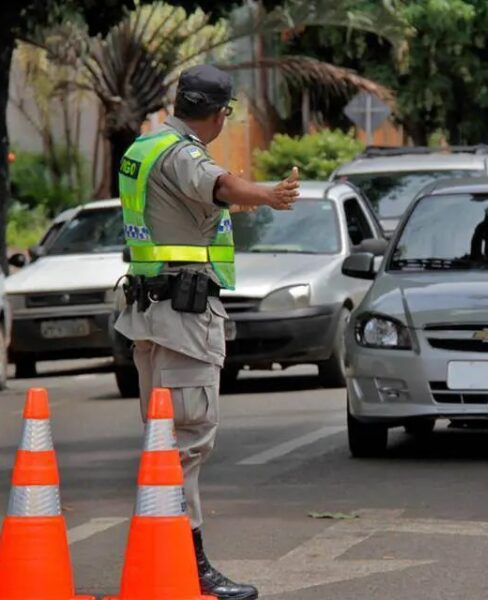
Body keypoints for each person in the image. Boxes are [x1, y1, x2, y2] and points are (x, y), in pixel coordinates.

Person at [114, 64, 299, 600]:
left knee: (162, 445)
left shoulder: (143, 148)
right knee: (185, 446)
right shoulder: (183, 151)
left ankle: (162, 563)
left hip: (150, 314)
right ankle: (188, 570)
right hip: (181, 320)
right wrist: (266, 193)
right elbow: (216, 183)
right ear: (221, 113)